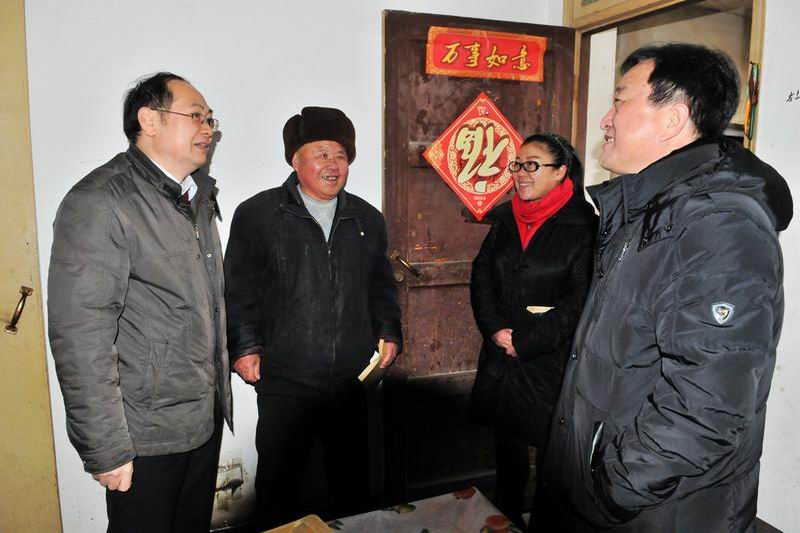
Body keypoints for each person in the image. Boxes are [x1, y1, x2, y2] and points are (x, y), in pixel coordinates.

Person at [534, 43, 793, 533]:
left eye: (619, 100)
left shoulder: (720, 225)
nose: (606, 119)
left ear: (673, 119)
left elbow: (709, 406)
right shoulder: (644, 212)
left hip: (655, 512)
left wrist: (612, 489)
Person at [48, 72, 232, 532]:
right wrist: (106, 448)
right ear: (149, 121)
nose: (208, 128)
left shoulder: (195, 195)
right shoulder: (101, 201)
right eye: (196, 115)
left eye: (210, 119)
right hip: (144, 434)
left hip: (199, 418)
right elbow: (81, 337)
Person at [224, 106, 402, 528]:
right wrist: (244, 346)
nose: (333, 165)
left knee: (351, 484)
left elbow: (381, 285)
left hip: (351, 379)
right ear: (295, 160)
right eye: (321, 154)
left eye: (340, 155)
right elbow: (238, 289)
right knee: (280, 486)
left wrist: (389, 331)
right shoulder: (259, 214)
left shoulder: (366, 218)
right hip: (285, 377)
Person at [468, 133, 596, 528]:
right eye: (517, 164)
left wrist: (526, 341)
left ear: (560, 172)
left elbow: (581, 299)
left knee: (552, 459)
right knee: (506, 450)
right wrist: (495, 330)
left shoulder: (584, 226)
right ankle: (505, 519)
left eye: (533, 165)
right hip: (503, 355)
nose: (521, 173)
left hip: (551, 360)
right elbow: (481, 275)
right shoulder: (507, 219)